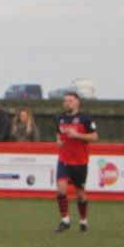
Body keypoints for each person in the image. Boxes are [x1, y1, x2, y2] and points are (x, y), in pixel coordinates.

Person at [53, 91, 97, 233]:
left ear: (77, 102)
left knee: (80, 195)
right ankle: (65, 220)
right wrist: (58, 140)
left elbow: (94, 137)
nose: (67, 103)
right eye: (65, 101)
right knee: (61, 189)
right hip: (64, 159)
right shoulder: (60, 118)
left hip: (80, 161)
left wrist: (77, 135)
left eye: (70, 101)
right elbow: (59, 133)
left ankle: (83, 220)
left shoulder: (85, 118)